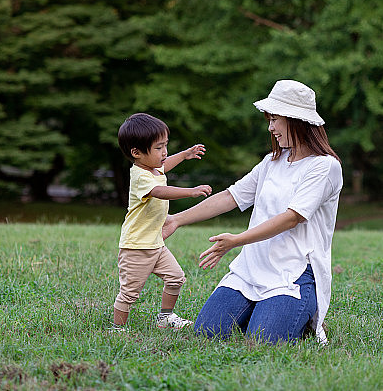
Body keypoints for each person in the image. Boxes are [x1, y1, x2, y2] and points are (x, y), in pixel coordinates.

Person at [163, 80, 343, 344]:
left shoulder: (325, 167)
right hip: (253, 266)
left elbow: (293, 217)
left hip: (293, 271)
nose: (270, 127)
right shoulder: (272, 162)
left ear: (296, 120)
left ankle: (298, 312)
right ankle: (264, 310)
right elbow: (230, 196)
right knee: (207, 330)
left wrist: (236, 240)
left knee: (264, 339)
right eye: (269, 119)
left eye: (275, 119)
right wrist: (176, 219)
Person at [110, 112, 213, 332]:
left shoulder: (154, 168)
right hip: (136, 246)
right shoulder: (140, 176)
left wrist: (184, 154)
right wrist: (191, 192)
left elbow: (165, 164)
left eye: (165, 145)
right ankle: (117, 329)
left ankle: (165, 318)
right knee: (130, 292)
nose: (164, 152)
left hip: (155, 244)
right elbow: (160, 191)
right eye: (158, 148)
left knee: (176, 278)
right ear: (136, 153)